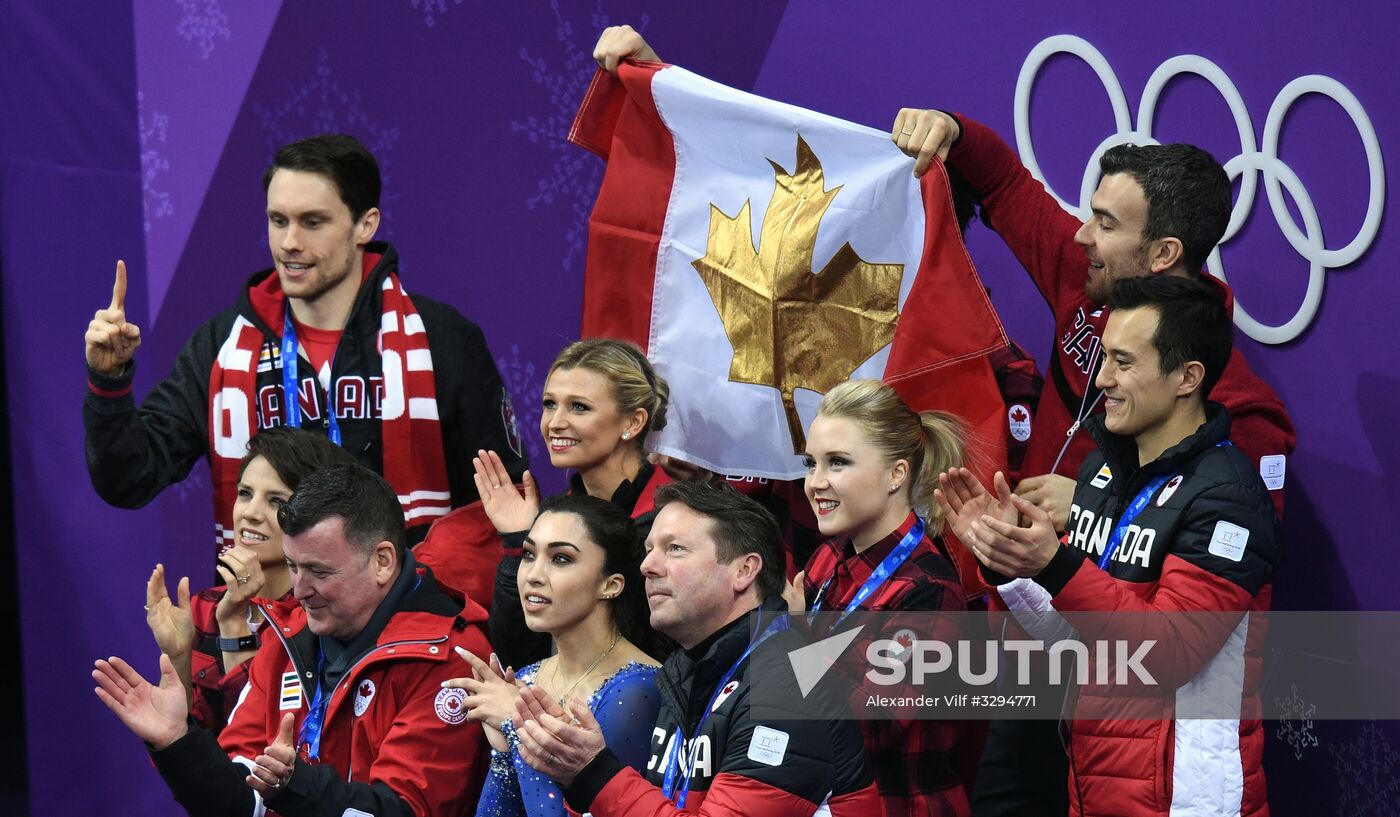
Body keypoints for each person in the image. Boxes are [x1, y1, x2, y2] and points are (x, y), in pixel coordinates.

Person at [890, 107, 1296, 816]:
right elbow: (1007, 182)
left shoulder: (1244, 425)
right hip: (1051, 665)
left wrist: (1081, 513)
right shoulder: (1087, 285)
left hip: (1156, 731)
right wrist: (947, 127)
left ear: (1164, 253)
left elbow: (1195, 626)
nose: (1081, 235)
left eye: (1107, 223)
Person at [936, 275, 1280, 817]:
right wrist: (1011, 559)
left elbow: (1167, 654)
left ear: (1187, 377)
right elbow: (1072, 637)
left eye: (1124, 362)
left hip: (1183, 798)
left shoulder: (1229, 497)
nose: (1102, 378)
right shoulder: (1103, 471)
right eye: (1105, 358)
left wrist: (1056, 562)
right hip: (1096, 780)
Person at [84, 133, 525, 550]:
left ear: (365, 225)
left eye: (313, 222)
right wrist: (109, 382)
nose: (289, 243)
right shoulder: (220, 347)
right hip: (268, 620)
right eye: (278, 221)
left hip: (408, 616)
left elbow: (502, 503)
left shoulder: (442, 339)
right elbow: (129, 480)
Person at [93, 463, 492, 817]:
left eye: (318, 571)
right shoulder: (287, 638)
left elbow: (404, 810)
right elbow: (240, 803)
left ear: (383, 561)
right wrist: (179, 744)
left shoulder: (451, 660)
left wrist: (295, 786)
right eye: (291, 566)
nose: (299, 590)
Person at [503, 480, 882, 817]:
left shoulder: (789, 685)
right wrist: (578, 776)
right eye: (650, 549)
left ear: (744, 570)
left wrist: (594, 772)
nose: (648, 565)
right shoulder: (686, 673)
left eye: (675, 549)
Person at [785, 378, 970, 817]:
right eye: (812, 463)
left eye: (838, 463)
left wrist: (794, 640)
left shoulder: (930, 590)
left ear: (896, 474)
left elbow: (867, 726)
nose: (815, 483)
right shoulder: (829, 556)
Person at [446, 494, 668, 817]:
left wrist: (517, 726)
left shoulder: (637, 689)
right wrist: (504, 754)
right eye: (528, 554)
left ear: (611, 584)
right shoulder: (526, 678)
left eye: (560, 558)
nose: (533, 575)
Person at [144, 426, 355, 734]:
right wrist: (177, 657)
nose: (250, 513)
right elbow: (172, 743)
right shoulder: (205, 607)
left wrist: (234, 627)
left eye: (277, 501)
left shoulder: (320, 615)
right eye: (245, 493)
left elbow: (263, 740)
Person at [477, 338, 671, 669]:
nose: (554, 423)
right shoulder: (551, 516)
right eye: (550, 404)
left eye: (578, 406)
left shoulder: (680, 519)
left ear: (633, 423)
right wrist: (517, 541)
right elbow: (517, 661)